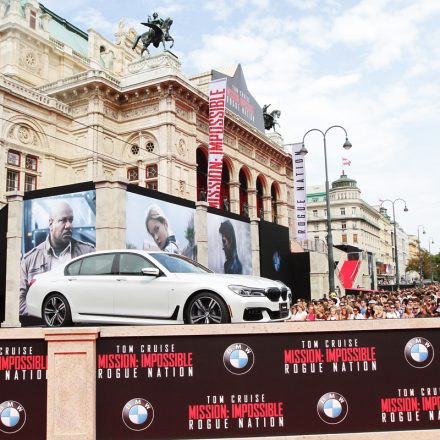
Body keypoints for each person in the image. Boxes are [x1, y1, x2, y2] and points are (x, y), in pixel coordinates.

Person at [19, 201, 95, 316]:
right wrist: (49, 315)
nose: (69, 225)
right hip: (42, 327)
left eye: (71, 220)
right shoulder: (29, 260)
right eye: (63, 220)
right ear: (51, 224)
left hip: (80, 326)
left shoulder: (88, 253)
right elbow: (19, 303)